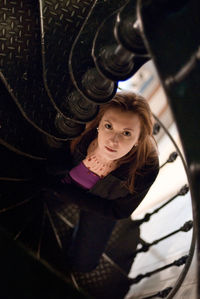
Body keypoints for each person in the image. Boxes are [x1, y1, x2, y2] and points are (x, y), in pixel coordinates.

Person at [45, 91, 159, 273]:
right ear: (99, 124)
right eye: (108, 126)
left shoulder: (146, 169)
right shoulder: (82, 130)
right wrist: (77, 170)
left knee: (82, 265)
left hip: (101, 208)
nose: (113, 140)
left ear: (138, 139)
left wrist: (69, 194)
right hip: (65, 185)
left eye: (126, 133)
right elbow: (54, 160)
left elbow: (119, 210)